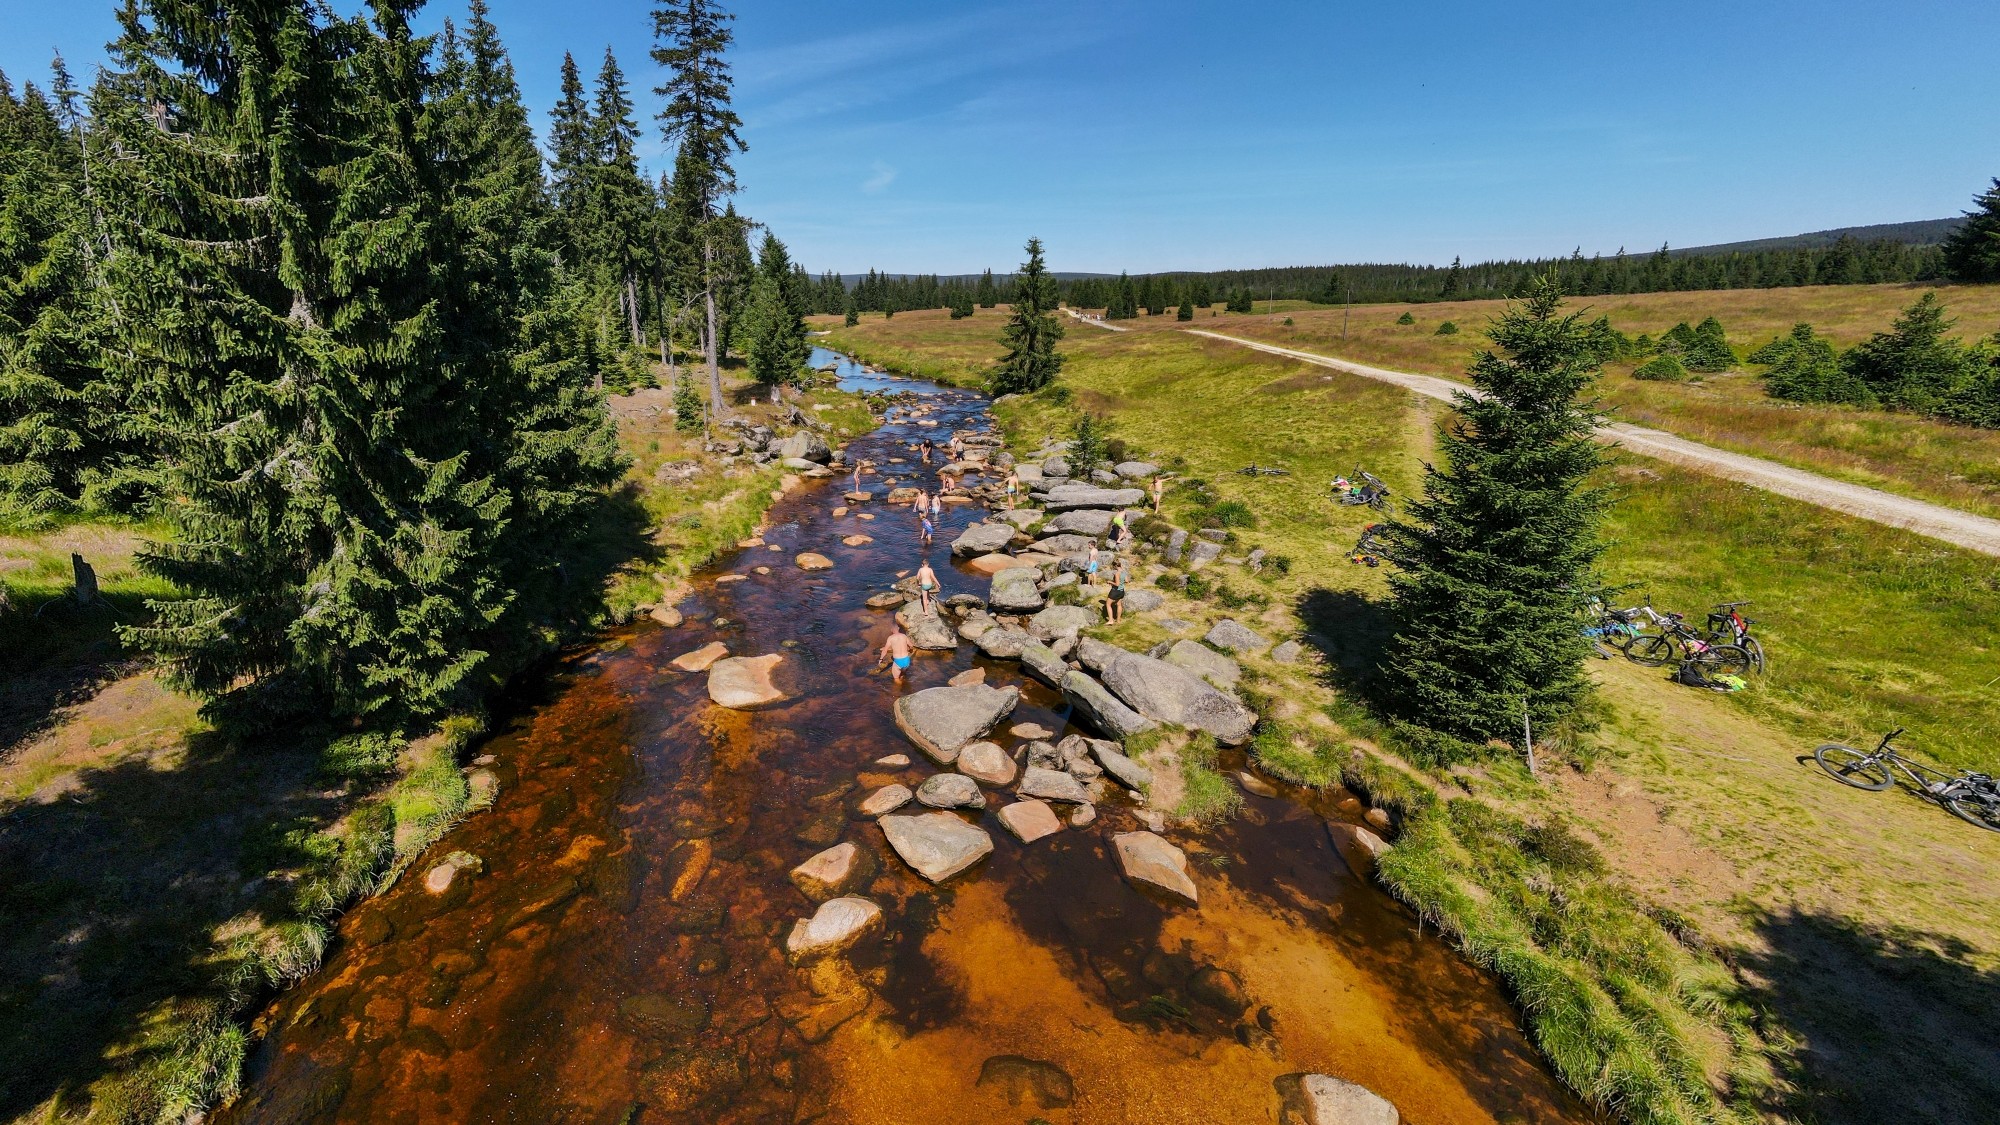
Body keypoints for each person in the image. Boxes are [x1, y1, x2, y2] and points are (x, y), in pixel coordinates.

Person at [1104, 557, 1129, 624]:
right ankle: (1118, 620)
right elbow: (1127, 581)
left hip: (1115, 591)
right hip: (1121, 591)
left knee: (1108, 604)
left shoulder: (1117, 573)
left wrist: (1110, 582)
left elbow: (1117, 584)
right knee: (1119, 604)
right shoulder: (1124, 572)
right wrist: (1121, 581)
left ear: (1115, 566)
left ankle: (1111, 620)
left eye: (1113, 566)